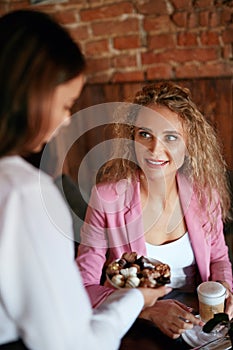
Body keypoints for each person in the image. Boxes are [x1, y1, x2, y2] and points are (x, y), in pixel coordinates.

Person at [0, 9, 170, 350]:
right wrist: (138, 302)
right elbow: (73, 343)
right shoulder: (22, 194)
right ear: (28, 98)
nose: (65, 121)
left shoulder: (202, 196)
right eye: (66, 105)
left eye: (170, 137)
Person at [76, 81, 233, 346]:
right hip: (139, 329)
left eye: (171, 137)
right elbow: (83, 285)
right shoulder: (107, 198)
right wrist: (145, 310)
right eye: (144, 134)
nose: (154, 149)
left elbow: (218, 257)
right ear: (131, 138)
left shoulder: (206, 194)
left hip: (202, 324)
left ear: (189, 144)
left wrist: (226, 290)